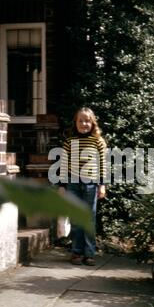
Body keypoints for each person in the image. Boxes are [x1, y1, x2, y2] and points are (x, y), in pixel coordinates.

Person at [59, 107, 106, 266]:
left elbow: (102, 165)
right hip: (73, 183)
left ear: (92, 123)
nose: (84, 123)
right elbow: (64, 165)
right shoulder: (70, 142)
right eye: (80, 120)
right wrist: (61, 185)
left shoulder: (98, 141)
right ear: (76, 122)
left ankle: (89, 253)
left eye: (87, 120)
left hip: (91, 184)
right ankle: (76, 252)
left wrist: (102, 185)